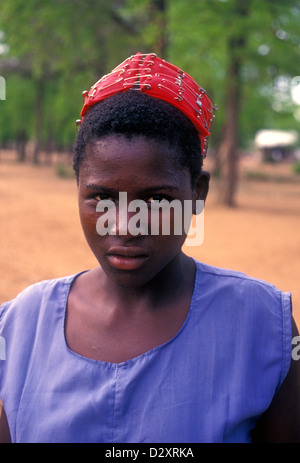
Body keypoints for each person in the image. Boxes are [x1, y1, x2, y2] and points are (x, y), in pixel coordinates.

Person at [0, 52, 299, 443]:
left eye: (156, 201)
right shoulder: (20, 326)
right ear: (77, 189)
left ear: (197, 194)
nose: (125, 225)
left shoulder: (266, 326)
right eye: (101, 198)